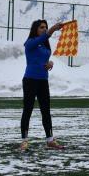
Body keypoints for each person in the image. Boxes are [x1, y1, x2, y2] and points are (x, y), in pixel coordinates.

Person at [20, 19, 66, 152]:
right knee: (27, 110)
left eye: (45, 27)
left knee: (46, 111)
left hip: (43, 81)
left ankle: (50, 140)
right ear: (35, 29)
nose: (44, 29)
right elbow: (45, 37)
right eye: (41, 27)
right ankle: (24, 141)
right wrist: (52, 29)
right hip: (30, 80)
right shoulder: (30, 43)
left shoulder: (45, 45)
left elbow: (44, 58)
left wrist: (50, 63)